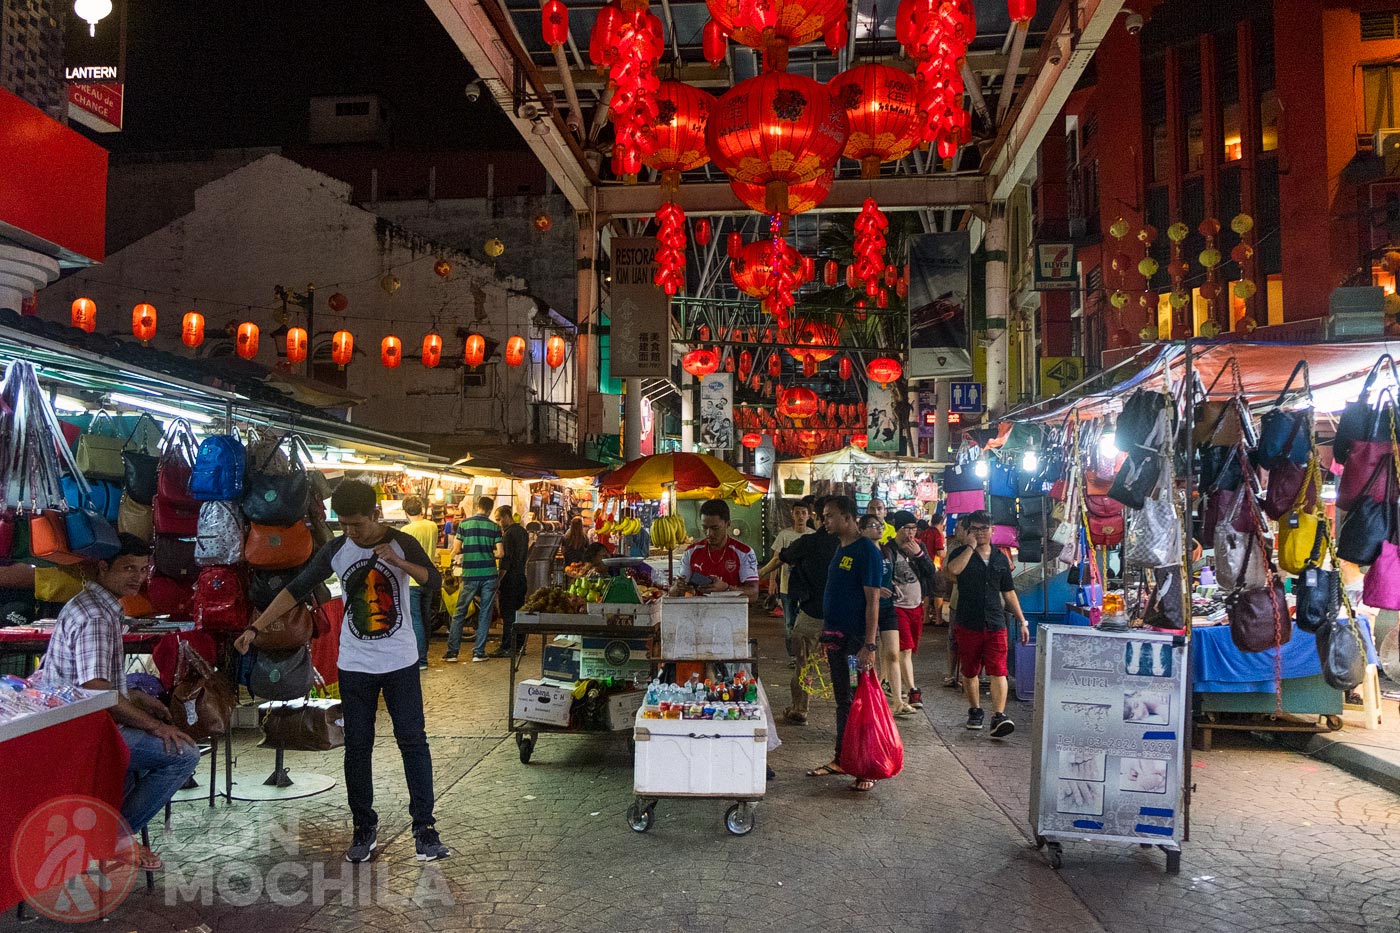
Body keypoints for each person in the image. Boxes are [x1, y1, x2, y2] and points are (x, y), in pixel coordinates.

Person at [235, 480, 449, 863]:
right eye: (344, 524)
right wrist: (256, 627)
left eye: (357, 525)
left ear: (375, 515)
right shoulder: (335, 549)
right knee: (358, 747)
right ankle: (363, 827)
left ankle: (425, 828)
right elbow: (295, 589)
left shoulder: (402, 543)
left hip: (400, 662)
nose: (350, 531)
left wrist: (398, 563)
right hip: (354, 665)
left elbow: (433, 580)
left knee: (413, 742)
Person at [43, 534, 200, 873]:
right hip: (79, 732)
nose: (138, 577)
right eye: (128, 568)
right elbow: (97, 689)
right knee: (183, 755)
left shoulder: (97, 606)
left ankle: (105, 832)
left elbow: (97, 682)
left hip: (84, 723)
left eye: (143, 569)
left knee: (147, 752)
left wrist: (136, 697)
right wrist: (155, 725)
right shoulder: (97, 616)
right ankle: (113, 837)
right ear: (102, 567)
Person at [806, 496, 882, 792]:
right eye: (824, 516)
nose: (825, 520)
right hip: (837, 641)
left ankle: (865, 767)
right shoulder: (841, 548)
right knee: (844, 701)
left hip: (856, 644)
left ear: (849, 518)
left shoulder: (867, 551)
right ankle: (842, 758)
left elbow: (873, 600)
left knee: (859, 702)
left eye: (829, 516)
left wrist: (869, 645)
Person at [945, 509, 1030, 737]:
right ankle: (975, 710)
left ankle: (998, 716)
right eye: (975, 528)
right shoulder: (960, 553)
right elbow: (952, 572)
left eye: (984, 528)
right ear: (967, 531)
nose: (980, 533)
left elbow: (1008, 592)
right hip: (968, 621)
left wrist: (1022, 621)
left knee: (998, 670)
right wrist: (971, 547)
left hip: (995, 621)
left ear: (992, 531)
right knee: (970, 670)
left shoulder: (1001, 558)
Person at [778, 496, 838, 725]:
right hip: (838, 616)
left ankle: (800, 708)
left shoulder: (809, 542)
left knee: (805, 664)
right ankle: (852, 704)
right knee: (846, 664)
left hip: (813, 613)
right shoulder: (854, 544)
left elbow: (781, 559)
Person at [890, 511, 937, 711]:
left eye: (913, 528)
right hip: (897, 606)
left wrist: (918, 555)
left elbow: (931, 573)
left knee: (909, 650)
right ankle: (912, 690)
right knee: (905, 649)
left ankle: (893, 684)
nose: (910, 533)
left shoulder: (920, 546)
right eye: (906, 528)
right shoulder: (889, 549)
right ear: (897, 529)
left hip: (916, 604)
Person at [445, 496, 502, 662]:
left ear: (477, 507)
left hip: (470, 574)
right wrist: (487, 552)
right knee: (485, 613)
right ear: (490, 509)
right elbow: (500, 553)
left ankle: (452, 653)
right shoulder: (494, 527)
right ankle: (478, 653)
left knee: (459, 612)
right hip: (489, 575)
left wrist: (458, 555)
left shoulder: (464, 524)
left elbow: (456, 549)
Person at [860, 515, 905, 714]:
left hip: (888, 607)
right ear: (861, 530)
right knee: (872, 657)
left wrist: (893, 586)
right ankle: (874, 701)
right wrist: (877, 590)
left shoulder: (887, 551)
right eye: (872, 526)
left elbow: (887, 576)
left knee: (893, 653)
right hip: (869, 609)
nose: (878, 529)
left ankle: (898, 701)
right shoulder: (861, 553)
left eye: (880, 525)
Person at [669, 499, 759, 598]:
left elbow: (754, 594)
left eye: (715, 528)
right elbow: (674, 593)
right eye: (704, 527)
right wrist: (678, 587)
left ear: (728, 524)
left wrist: (726, 588)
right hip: (698, 610)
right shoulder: (691, 552)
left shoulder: (744, 552)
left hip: (733, 611)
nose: (709, 533)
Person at [757, 500, 812, 662]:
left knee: (805, 623)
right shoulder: (784, 535)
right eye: (797, 513)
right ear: (792, 515)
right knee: (789, 623)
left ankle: (805, 655)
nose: (800, 516)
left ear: (809, 515)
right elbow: (776, 559)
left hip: (807, 589)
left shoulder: (812, 536)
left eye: (803, 513)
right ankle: (793, 656)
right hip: (786, 587)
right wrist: (772, 582)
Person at [399, 496, 439, 671]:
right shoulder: (432, 526)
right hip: (428, 577)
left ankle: (420, 659)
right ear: (421, 509)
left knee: (415, 619)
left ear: (406, 511)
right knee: (425, 618)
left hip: (412, 580)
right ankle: (425, 655)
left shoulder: (406, 530)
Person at [492, 505, 529, 658]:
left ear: (507, 516)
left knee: (508, 614)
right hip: (521, 576)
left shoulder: (508, 535)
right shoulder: (522, 532)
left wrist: (499, 580)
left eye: (499, 519)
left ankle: (507, 646)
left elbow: (506, 561)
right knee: (519, 612)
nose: (499, 523)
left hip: (510, 579)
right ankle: (519, 645)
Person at [917, 516, 948, 627]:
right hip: (935, 566)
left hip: (924, 566)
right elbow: (940, 552)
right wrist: (946, 554)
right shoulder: (938, 534)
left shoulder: (924, 533)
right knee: (938, 592)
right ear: (941, 522)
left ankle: (925, 618)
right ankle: (939, 619)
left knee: (926, 593)